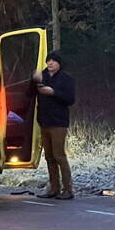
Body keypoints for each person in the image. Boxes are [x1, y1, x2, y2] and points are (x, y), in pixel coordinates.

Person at [35, 52, 76, 200]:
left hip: (58, 122)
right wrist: (34, 81)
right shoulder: (42, 76)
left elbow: (70, 99)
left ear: (59, 63)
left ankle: (68, 189)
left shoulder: (66, 79)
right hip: (44, 121)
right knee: (49, 156)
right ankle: (54, 188)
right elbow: (30, 93)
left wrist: (53, 92)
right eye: (48, 61)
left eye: (53, 61)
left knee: (59, 155)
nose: (50, 63)